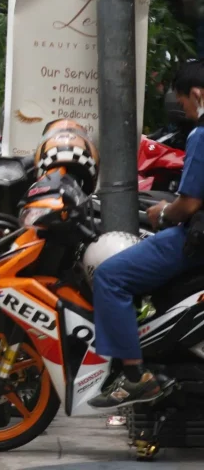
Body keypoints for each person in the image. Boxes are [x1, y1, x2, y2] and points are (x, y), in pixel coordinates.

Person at [89, 60, 204, 408]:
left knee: (110, 276)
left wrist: (163, 213)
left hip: (195, 240)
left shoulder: (201, 135)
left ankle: (135, 376)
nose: (183, 110)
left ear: (196, 94)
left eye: (183, 102)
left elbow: (189, 204)